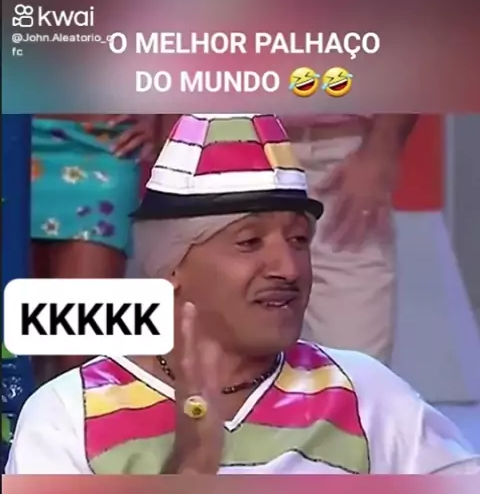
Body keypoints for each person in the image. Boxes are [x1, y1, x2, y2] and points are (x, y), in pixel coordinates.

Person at [6, 113, 479, 475]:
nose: (288, 268)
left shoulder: (368, 394)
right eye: (250, 242)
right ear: (172, 266)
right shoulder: (68, 416)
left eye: (299, 240)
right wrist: (192, 469)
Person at [31, 113, 160, 378]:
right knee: (14, 345)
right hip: (13, 135)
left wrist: (165, 117)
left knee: (80, 351)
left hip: (102, 143)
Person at [285, 114, 418, 364]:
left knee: (356, 367)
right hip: (241, 147)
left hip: (344, 160)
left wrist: (381, 150)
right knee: (237, 367)